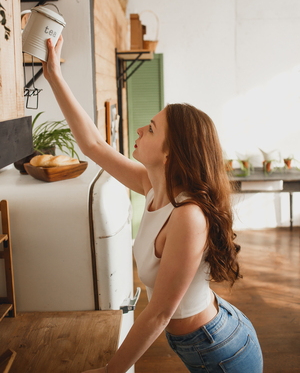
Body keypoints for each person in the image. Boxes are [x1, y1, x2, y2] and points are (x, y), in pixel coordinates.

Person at [42, 36, 263, 373]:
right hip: (204, 339)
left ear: (169, 153)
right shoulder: (151, 185)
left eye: (151, 128)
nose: (140, 129)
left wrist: (110, 371)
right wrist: (54, 75)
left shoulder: (188, 217)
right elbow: (92, 144)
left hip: (221, 352)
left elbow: (160, 313)